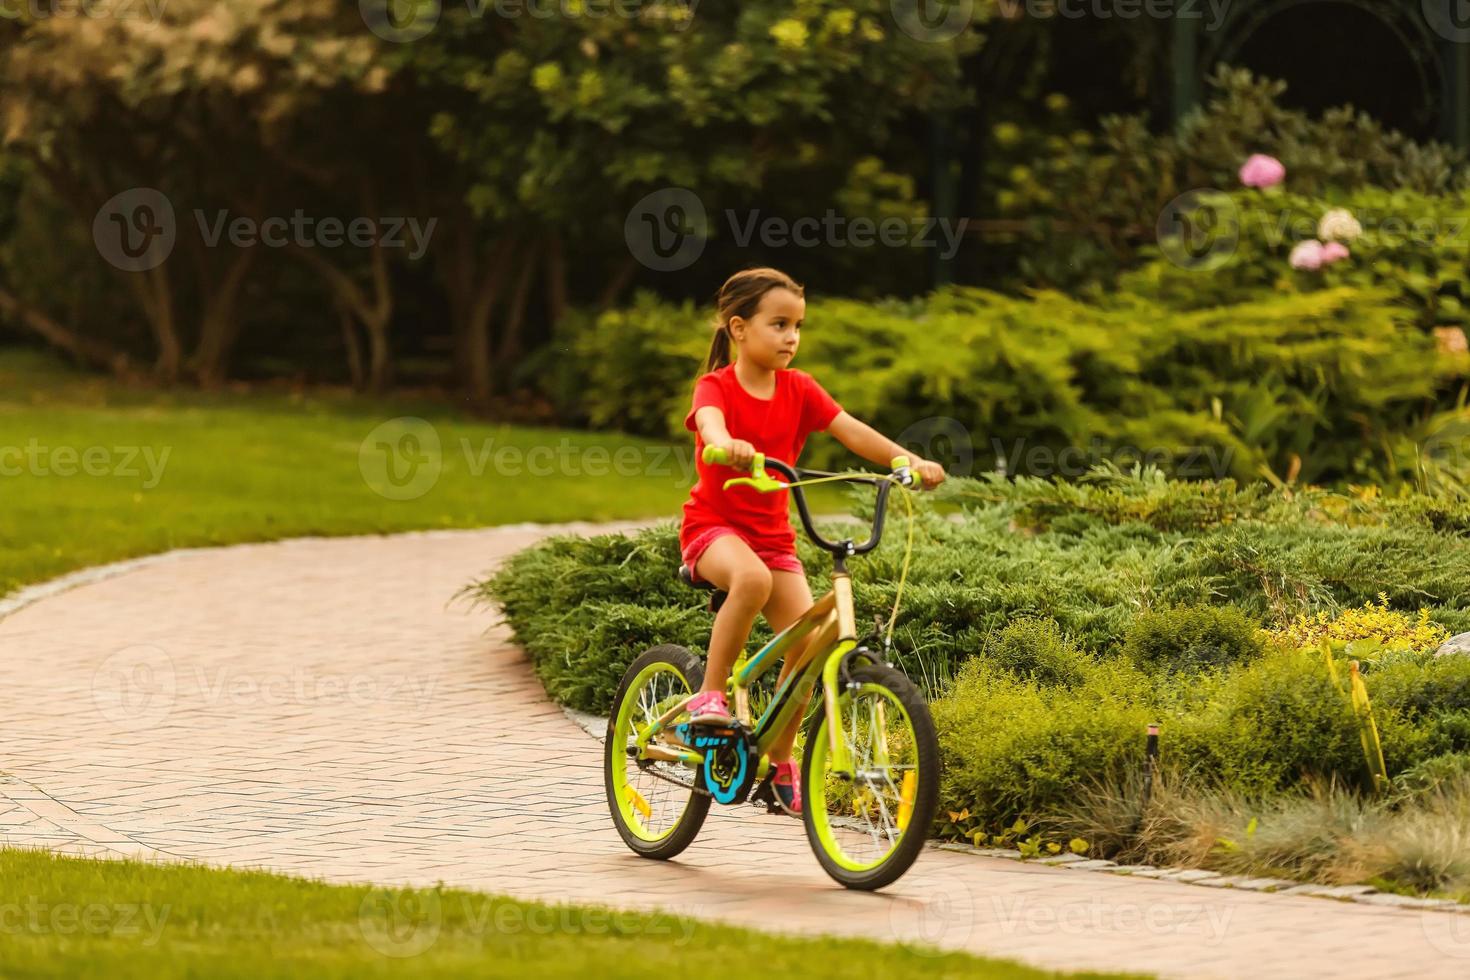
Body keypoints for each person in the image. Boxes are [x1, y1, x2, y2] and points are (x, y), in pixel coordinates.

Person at [680, 267, 945, 815]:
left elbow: (850, 429)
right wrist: (725, 442)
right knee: (749, 579)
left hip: (773, 537)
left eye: (797, 326)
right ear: (738, 328)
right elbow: (709, 422)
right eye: (778, 324)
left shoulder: (800, 389)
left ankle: (779, 756)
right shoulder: (718, 387)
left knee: (809, 647)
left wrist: (907, 460)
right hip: (715, 530)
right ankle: (708, 695)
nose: (791, 337)